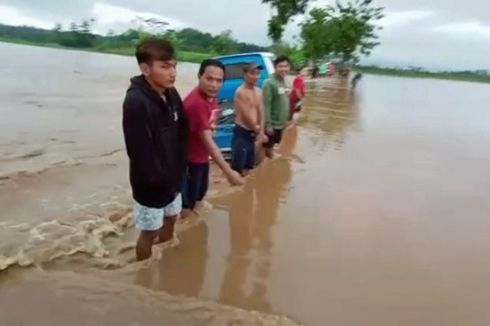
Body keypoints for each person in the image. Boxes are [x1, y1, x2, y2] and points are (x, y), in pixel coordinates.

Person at [122, 39, 188, 261]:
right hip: (150, 185)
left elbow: (182, 132)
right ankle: (143, 271)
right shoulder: (135, 102)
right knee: (149, 232)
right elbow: (139, 152)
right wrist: (159, 179)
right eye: (165, 66)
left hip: (173, 178)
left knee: (172, 218)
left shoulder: (171, 94)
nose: (172, 73)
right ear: (145, 69)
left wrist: (179, 171)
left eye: (174, 66)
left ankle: (166, 257)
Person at [183, 59, 244, 212]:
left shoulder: (211, 97)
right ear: (199, 76)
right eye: (209, 79)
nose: (214, 85)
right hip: (189, 161)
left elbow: (211, 127)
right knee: (186, 207)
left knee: (199, 196)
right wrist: (228, 172)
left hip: (201, 157)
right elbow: (208, 141)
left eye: (219, 80)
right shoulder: (196, 103)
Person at [231, 62, 268, 176]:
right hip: (242, 133)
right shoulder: (240, 92)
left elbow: (261, 111)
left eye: (257, 73)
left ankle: (245, 189)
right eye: (252, 73)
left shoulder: (259, 91)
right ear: (245, 75)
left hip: (254, 133)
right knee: (238, 168)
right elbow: (246, 115)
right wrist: (258, 131)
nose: (256, 76)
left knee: (249, 166)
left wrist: (261, 131)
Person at [262, 56, 291, 159]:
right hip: (272, 122)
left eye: (286, 66)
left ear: (289, 68)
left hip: (281, 122)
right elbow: (266, 104)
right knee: (268, 146)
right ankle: (268, 162)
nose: (283, 69)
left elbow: (284, 100)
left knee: (274, 144)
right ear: (275, 67)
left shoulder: (283, 81)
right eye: (280, 66)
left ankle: (270, 158)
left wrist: (287, 119)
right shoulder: (269, 82)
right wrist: (268, 123)